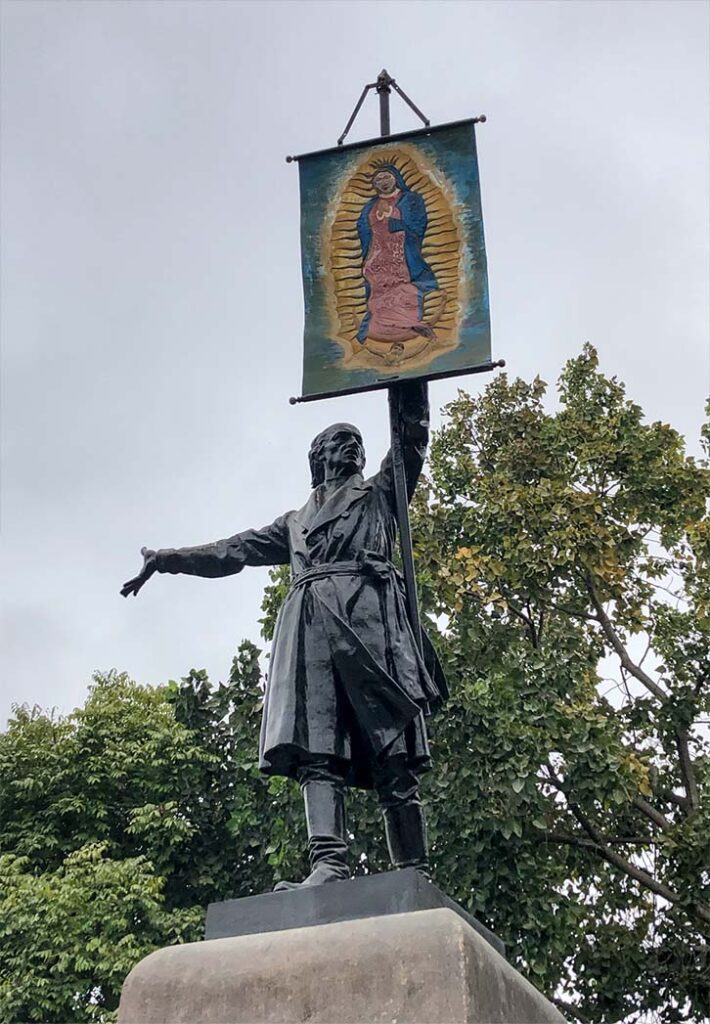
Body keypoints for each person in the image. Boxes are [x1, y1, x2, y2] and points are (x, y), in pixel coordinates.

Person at [121, 381, 446, 889]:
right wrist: (166, 561)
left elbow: (411, 438)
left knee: (394, 753)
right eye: (341, 440)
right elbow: (234, 551)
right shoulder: (295, 522)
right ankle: (329, 864)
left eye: (357, 439)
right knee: (318, 750)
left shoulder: (382, 492)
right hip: (313, 628)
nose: (353, 445)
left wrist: (412, 376)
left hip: (371, 624)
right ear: (318, 457)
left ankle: (414, 870)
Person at [356, 165, 438, 345]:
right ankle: (381, 328)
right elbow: (363, 228)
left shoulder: (410, 199)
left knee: (404, 288)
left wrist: (394, 217)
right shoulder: (370, 205)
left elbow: (418, 224)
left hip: (402, 253)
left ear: (396, 179)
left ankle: (410, 323)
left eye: (386, 178)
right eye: (378, 180)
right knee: (379, 293)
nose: (383, 183)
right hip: (377, 254)